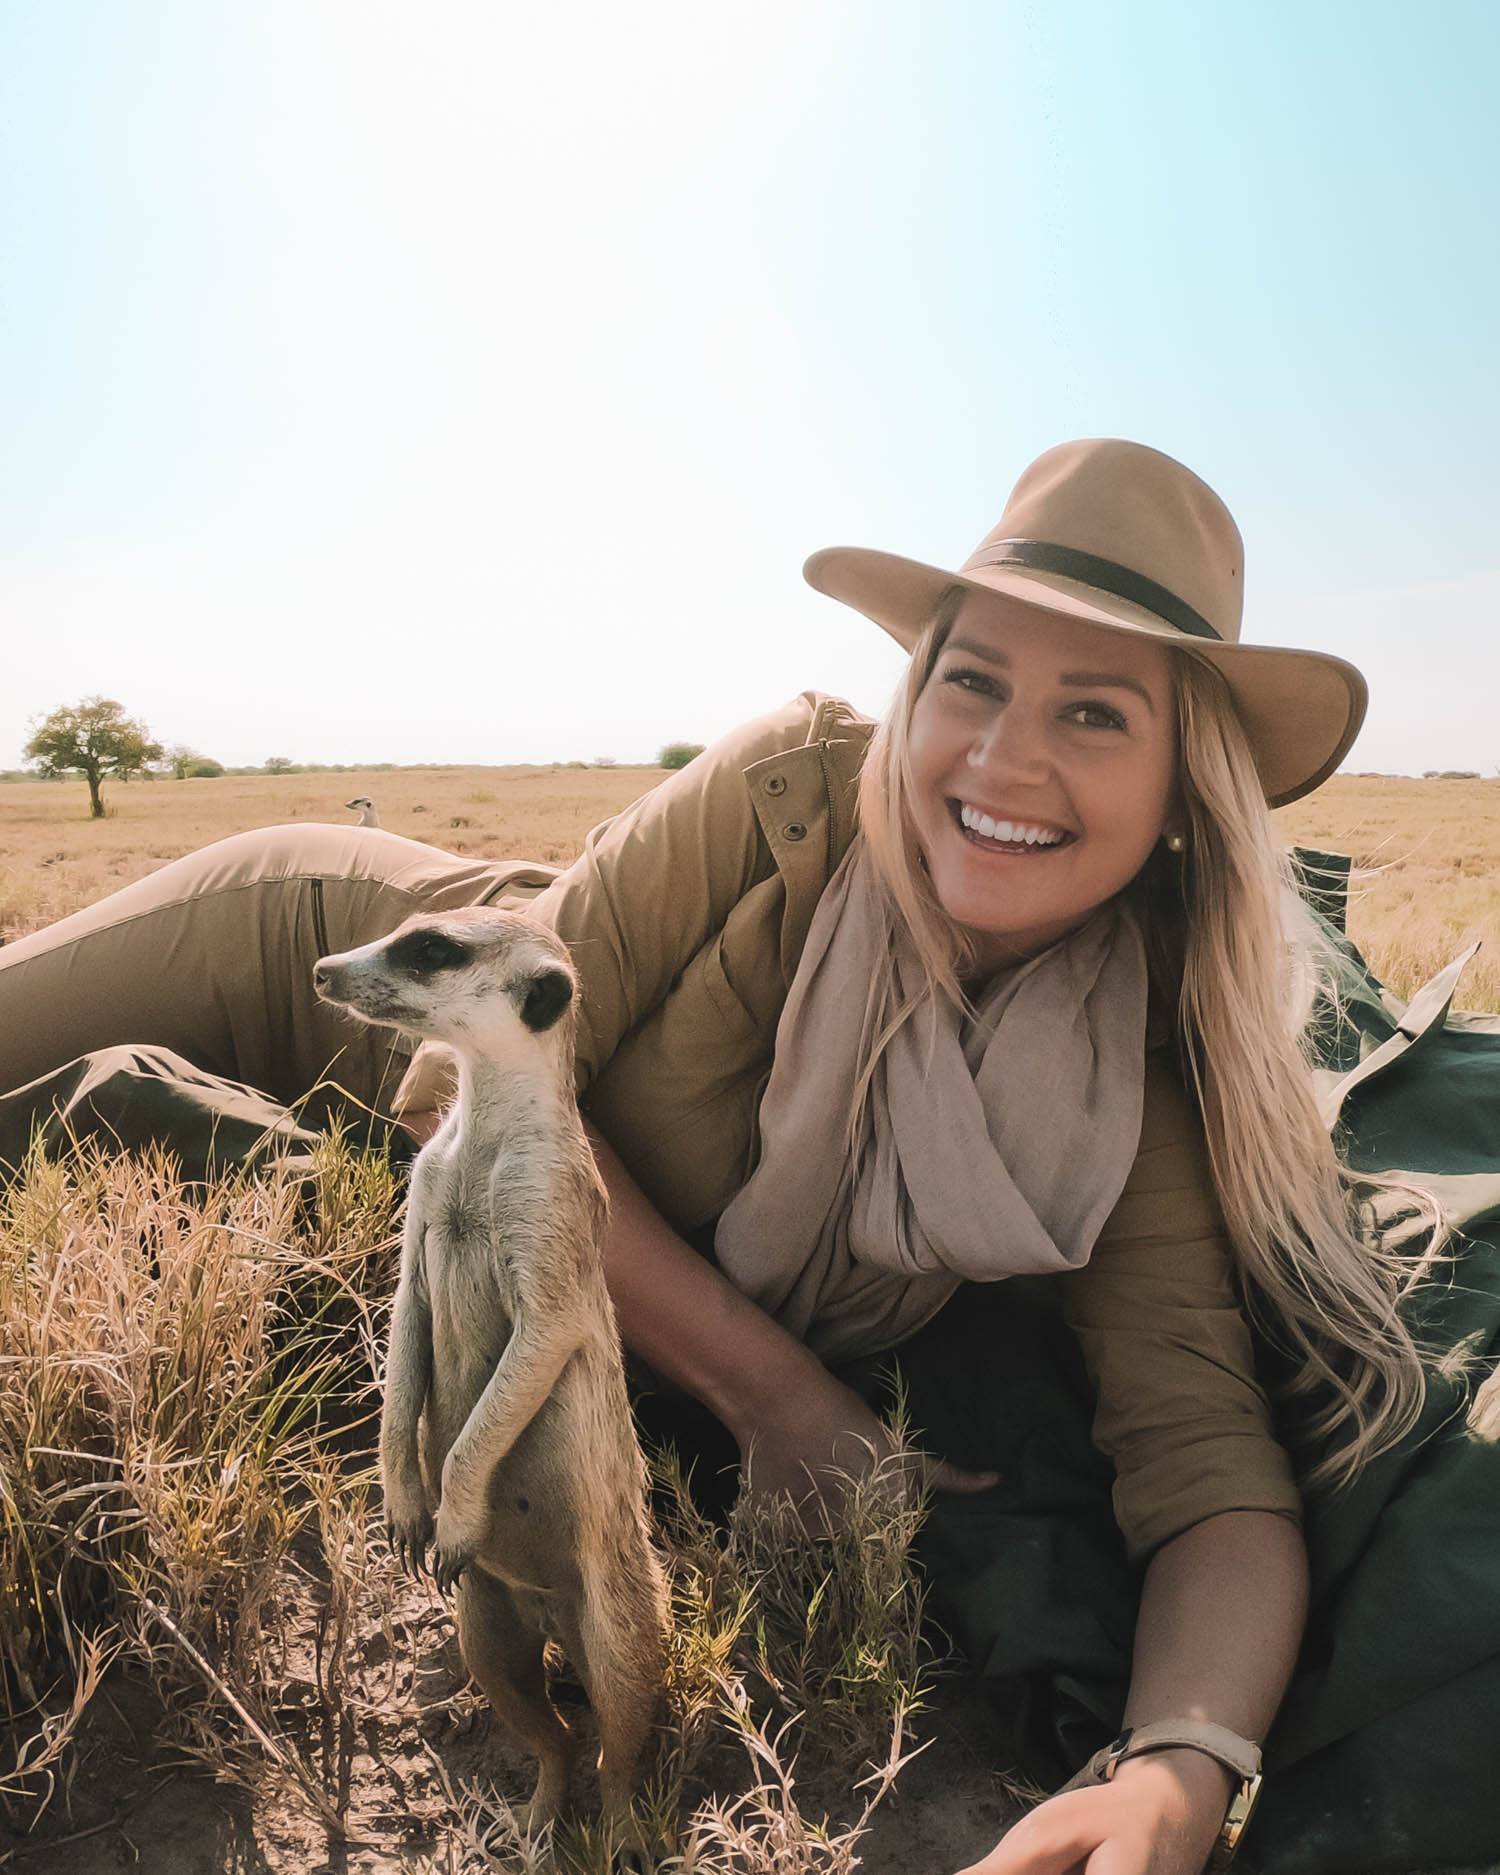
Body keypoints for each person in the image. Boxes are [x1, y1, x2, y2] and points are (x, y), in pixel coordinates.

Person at [4, 439, 1498, 1875]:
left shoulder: (1145, 1083)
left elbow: (1210, 1476)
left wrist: (1180, 1766)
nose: (1002, 754)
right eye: (969, 680)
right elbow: (465, 1099)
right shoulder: (794, 786)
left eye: (1095, 713)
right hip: (318, 952)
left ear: (1187, 790)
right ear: (914, 699)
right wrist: (782, 1397)